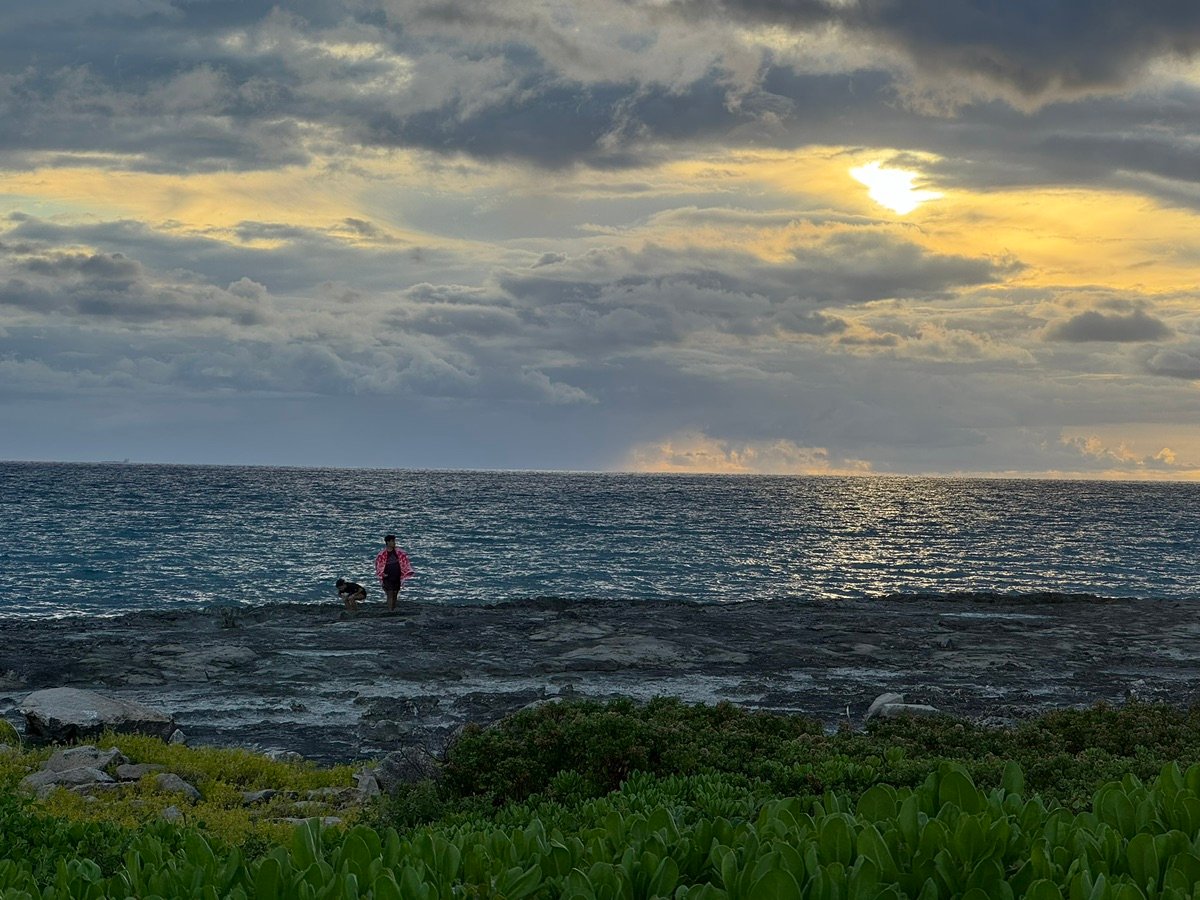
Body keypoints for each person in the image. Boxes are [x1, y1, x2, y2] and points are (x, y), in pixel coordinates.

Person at [374, 534, 413, 612]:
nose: (394, 543)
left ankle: (393, 609)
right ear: (387, 542)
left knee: (395, 593)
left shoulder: (399, 552)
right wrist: (382, 574)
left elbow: (405, 562)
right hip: (387, 576)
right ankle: (389, 610)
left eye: (394, 541)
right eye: (392, 541)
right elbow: (378, 565)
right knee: (390, 593)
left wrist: (406, 572)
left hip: (397, 576)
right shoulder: (382, 554)